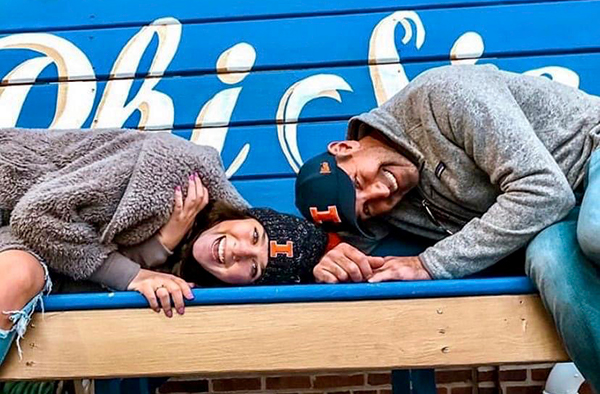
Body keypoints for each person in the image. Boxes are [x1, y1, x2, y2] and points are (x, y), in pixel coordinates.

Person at [295, 64, 600, 389]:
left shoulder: (443, 95)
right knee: (548, 257)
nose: (380, 193)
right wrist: (325, 258)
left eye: (357, 181)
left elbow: (544, 191)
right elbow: (345, 253)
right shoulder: (390, 206)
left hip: (590, 154)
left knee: (594, 230)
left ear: (345, 148)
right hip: (556, 219)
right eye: (367, 207)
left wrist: (431, 263)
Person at [0, 128, 330, 365]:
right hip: (13, 195)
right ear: (244, 215)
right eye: (255, 235)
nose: (239, 251)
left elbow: (72, 274)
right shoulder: (174, 176)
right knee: (17, 277)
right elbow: (36, 216)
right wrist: (134, 275)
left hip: (19, 242)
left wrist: (158, 249)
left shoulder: (179, 270)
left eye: (253, 268)